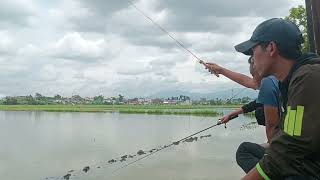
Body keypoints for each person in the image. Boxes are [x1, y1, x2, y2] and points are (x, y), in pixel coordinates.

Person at [234, 18, 320, 179]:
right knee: (248, 151)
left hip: (310, 163)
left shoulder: (308, 77)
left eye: (253, 52)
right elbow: (289, 136)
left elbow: (292, 147)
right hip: (307, 157)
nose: (252, 59)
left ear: (271, 48)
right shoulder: (290, 81)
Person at [203, 57, 280, 173]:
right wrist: (231, 115)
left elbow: (272, 125)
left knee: (244, 150)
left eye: (253, 75)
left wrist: (273, 149)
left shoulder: (269, 82)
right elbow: (253, 102)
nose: (253, 80)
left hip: (286, 152)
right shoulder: (277, 80)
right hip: (289, 145)